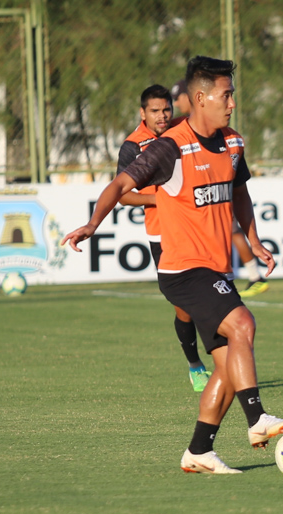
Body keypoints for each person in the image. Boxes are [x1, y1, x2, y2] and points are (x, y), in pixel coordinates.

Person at [63, 56, 283, 474]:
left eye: (232, 94)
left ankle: (199, 451)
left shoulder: (233, 142)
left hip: (216, 268)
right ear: (200, 98)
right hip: (183, 270)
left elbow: (238, 190)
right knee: (243, 325)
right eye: (226, 95)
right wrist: (93, 223)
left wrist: (254, 240)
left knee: (227, 365)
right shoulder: (171, 146)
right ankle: (258, 419)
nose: (232, 103)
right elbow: (120, 184)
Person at [116, 84, 212, 392]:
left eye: (166, 109)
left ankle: (226, 366)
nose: (162, 116)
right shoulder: (133, 146)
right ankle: (195, 364)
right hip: (162, 234)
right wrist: (162, 199)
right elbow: (124, 195)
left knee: (214, 298)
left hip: (198, 228)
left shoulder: (183, 132)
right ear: (142, 113)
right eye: (155, 111)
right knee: (183, 308)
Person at [172, 79, 269, 298]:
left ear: (193, 98)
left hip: (216, 201)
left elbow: (241, 191)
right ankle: (253, 275)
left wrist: (255, 241)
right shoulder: (178, 133)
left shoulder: (227, 137)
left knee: (233, 230)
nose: (176, 105)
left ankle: (255, 276)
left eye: (178, 99)